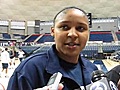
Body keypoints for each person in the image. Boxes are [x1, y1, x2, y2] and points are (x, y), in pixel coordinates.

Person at [7, 6, 98, 90]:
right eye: (65, 27)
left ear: (88, 34)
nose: (72, 34)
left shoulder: (93, 70)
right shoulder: (28, 70)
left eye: (80, 28)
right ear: (53, 31)